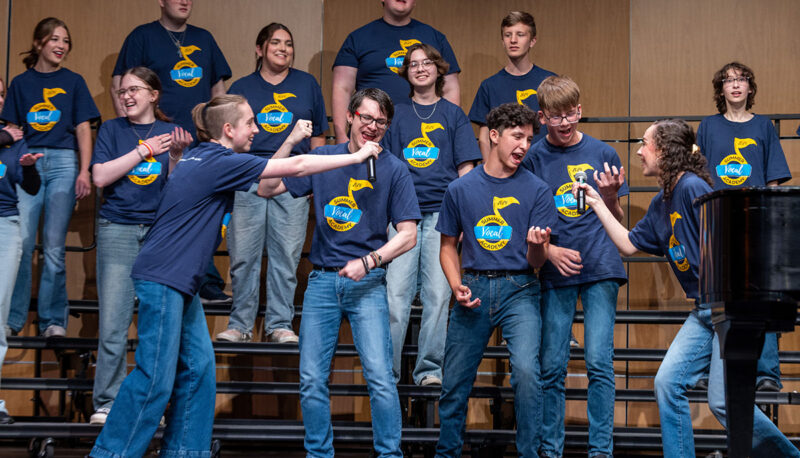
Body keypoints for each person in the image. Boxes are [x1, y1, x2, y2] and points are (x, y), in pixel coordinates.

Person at [90, 94, 379, 458]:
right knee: (153, 381)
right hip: (164, 278)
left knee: (198, 374)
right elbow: (299, 166)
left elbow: (231, 185)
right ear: (228, 130)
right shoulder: (220, 160)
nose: (256, 129)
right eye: (249, 123)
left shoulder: (202, 154)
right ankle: (108, 454)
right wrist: (354, 156)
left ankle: (185, 453)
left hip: (182, 283)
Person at [579, 119, 800, 458]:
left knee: (723, 402)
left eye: (645, 143)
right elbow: (626, 244)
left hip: (728, 309)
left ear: (665, 151)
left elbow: (725, 244)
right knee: (667, 384)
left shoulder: (691, 187)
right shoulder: (661, 201)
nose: (639, 151)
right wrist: (597, 202)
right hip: (703, 311)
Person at [260, 88, 421, 457]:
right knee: (312, 379)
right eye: (366, 118)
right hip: (321, 281)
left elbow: (409, 235)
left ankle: (389, 454)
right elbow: (267, 187)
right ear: (349, 117)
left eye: (381, 122)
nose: (372, 127)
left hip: (369, 283)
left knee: (381, 379)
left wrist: (369, 262)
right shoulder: (322, 157)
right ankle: (319, 454)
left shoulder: (394, 168)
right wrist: (291, 139)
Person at [435, 103, 556, 457]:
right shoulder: (460, 189)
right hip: (473, 287)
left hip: (521, 289)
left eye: (529, 139)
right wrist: (456, 283)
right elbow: (446, 247)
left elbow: (537, 261)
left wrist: (538, 248)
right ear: (493, 135)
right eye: (517, 136)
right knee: (454, 383)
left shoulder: (537, 190)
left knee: (527, 375)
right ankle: (447, 452)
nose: (524, 145)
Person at [521, 76, 627, 458]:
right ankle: (551, 450)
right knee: (551, 367)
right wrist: (550, 253)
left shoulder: (603, 153)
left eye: (570, 114)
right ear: (541, 116)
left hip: (601, 267)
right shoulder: (533, 156)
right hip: (556, 271)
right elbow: (522, 219)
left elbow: (616, 219)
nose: (564, 123)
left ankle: (601, 451)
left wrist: (612, 198)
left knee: (600, 363)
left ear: (580, 111)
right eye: (555, 116)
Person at [88, 67, 192, 425]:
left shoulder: (170, 132)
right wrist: (144, 151)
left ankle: (150, 403)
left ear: (153, 94)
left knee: (155, 325)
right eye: (122, 91)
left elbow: (179, 188)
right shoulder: (112, 130)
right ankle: (107, 401)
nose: (126, 96)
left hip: (159, 234)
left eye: (135, 90)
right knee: (114, 322)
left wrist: (176, 156)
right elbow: (100, 176)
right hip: (117, 229)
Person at [112, 0, 233, 305]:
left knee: (201, 212)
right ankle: (149, 280)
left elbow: (217, 90)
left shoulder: (204, 39)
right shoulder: (142, 36)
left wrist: (217, 134)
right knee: (157, 209)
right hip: (155, 140)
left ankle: (204, 279)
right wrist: (131, 133)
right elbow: (120, 84)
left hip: (198, 143)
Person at [218, 23, 327, 344]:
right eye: (276, 42)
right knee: (242, 258)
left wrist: (309, 181)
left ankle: (280, 324)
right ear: (259, 48)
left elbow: (319, 138)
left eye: (289, 44)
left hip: (292, 182)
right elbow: (229, 139)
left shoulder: (307, 84)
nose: (283, 48)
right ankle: (240, 325)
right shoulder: (241, 87)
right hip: (248, 178)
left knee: (286, 259)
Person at [381, 43, 480, 386]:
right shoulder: (396, 114)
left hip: (443, 217)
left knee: (439, 296)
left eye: (427, 63)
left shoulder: (454, 115)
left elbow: (467, 170)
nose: (420, 68)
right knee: (396, 296)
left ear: (438, 70)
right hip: (403, 217)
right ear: (406, 72)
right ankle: (388, 372)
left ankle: (429, 370)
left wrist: (464, 217)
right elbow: (387, 168)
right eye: (413, 64)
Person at [2, 17, 100, 337]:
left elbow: (84, 128)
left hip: (63, 162)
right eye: (55, 39)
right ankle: (13, 318)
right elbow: (12, 131)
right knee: (23, 243)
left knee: (55, 247)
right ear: (39, 43)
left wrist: (83, 170)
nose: (61, 46)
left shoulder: (73, 81)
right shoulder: (20, 83)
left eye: (66, 41)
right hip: (29, 161)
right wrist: (21, 159)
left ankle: (53, 320)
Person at [696, 62, 790, 393]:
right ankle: (709, 369)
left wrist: (771, 223)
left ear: (750, 87)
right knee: (714, 301)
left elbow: (775, 178)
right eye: (728, 80)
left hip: (757, 225)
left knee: (762, 299)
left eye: (741, 80)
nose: (735, 85)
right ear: (720, 89)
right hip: (719, 223)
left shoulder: (764, 127)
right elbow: (697, 176)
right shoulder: (707, 127)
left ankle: (767, 372)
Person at [332, 0, 460, 143]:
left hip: (421, 135)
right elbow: (343, 88)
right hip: (371, 132)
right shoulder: (358, 38)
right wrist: (342, 137)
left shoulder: (435, 38)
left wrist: (450, 136)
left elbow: (449, 88)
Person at [0, 76, 42, 424]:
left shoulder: (13, 138)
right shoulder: (6, 135)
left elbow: (29, 186)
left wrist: (28, 169)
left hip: (5, 226)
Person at [469, 11, 555, 159]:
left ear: (532, 41)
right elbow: (484, 138)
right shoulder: (489, 86)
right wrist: (490, 173)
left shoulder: (549, 81)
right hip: (502, 170)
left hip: (542, 164)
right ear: (503, 41)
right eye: (508, 35)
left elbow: (558, 128)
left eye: (520, 35)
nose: (513, 40)